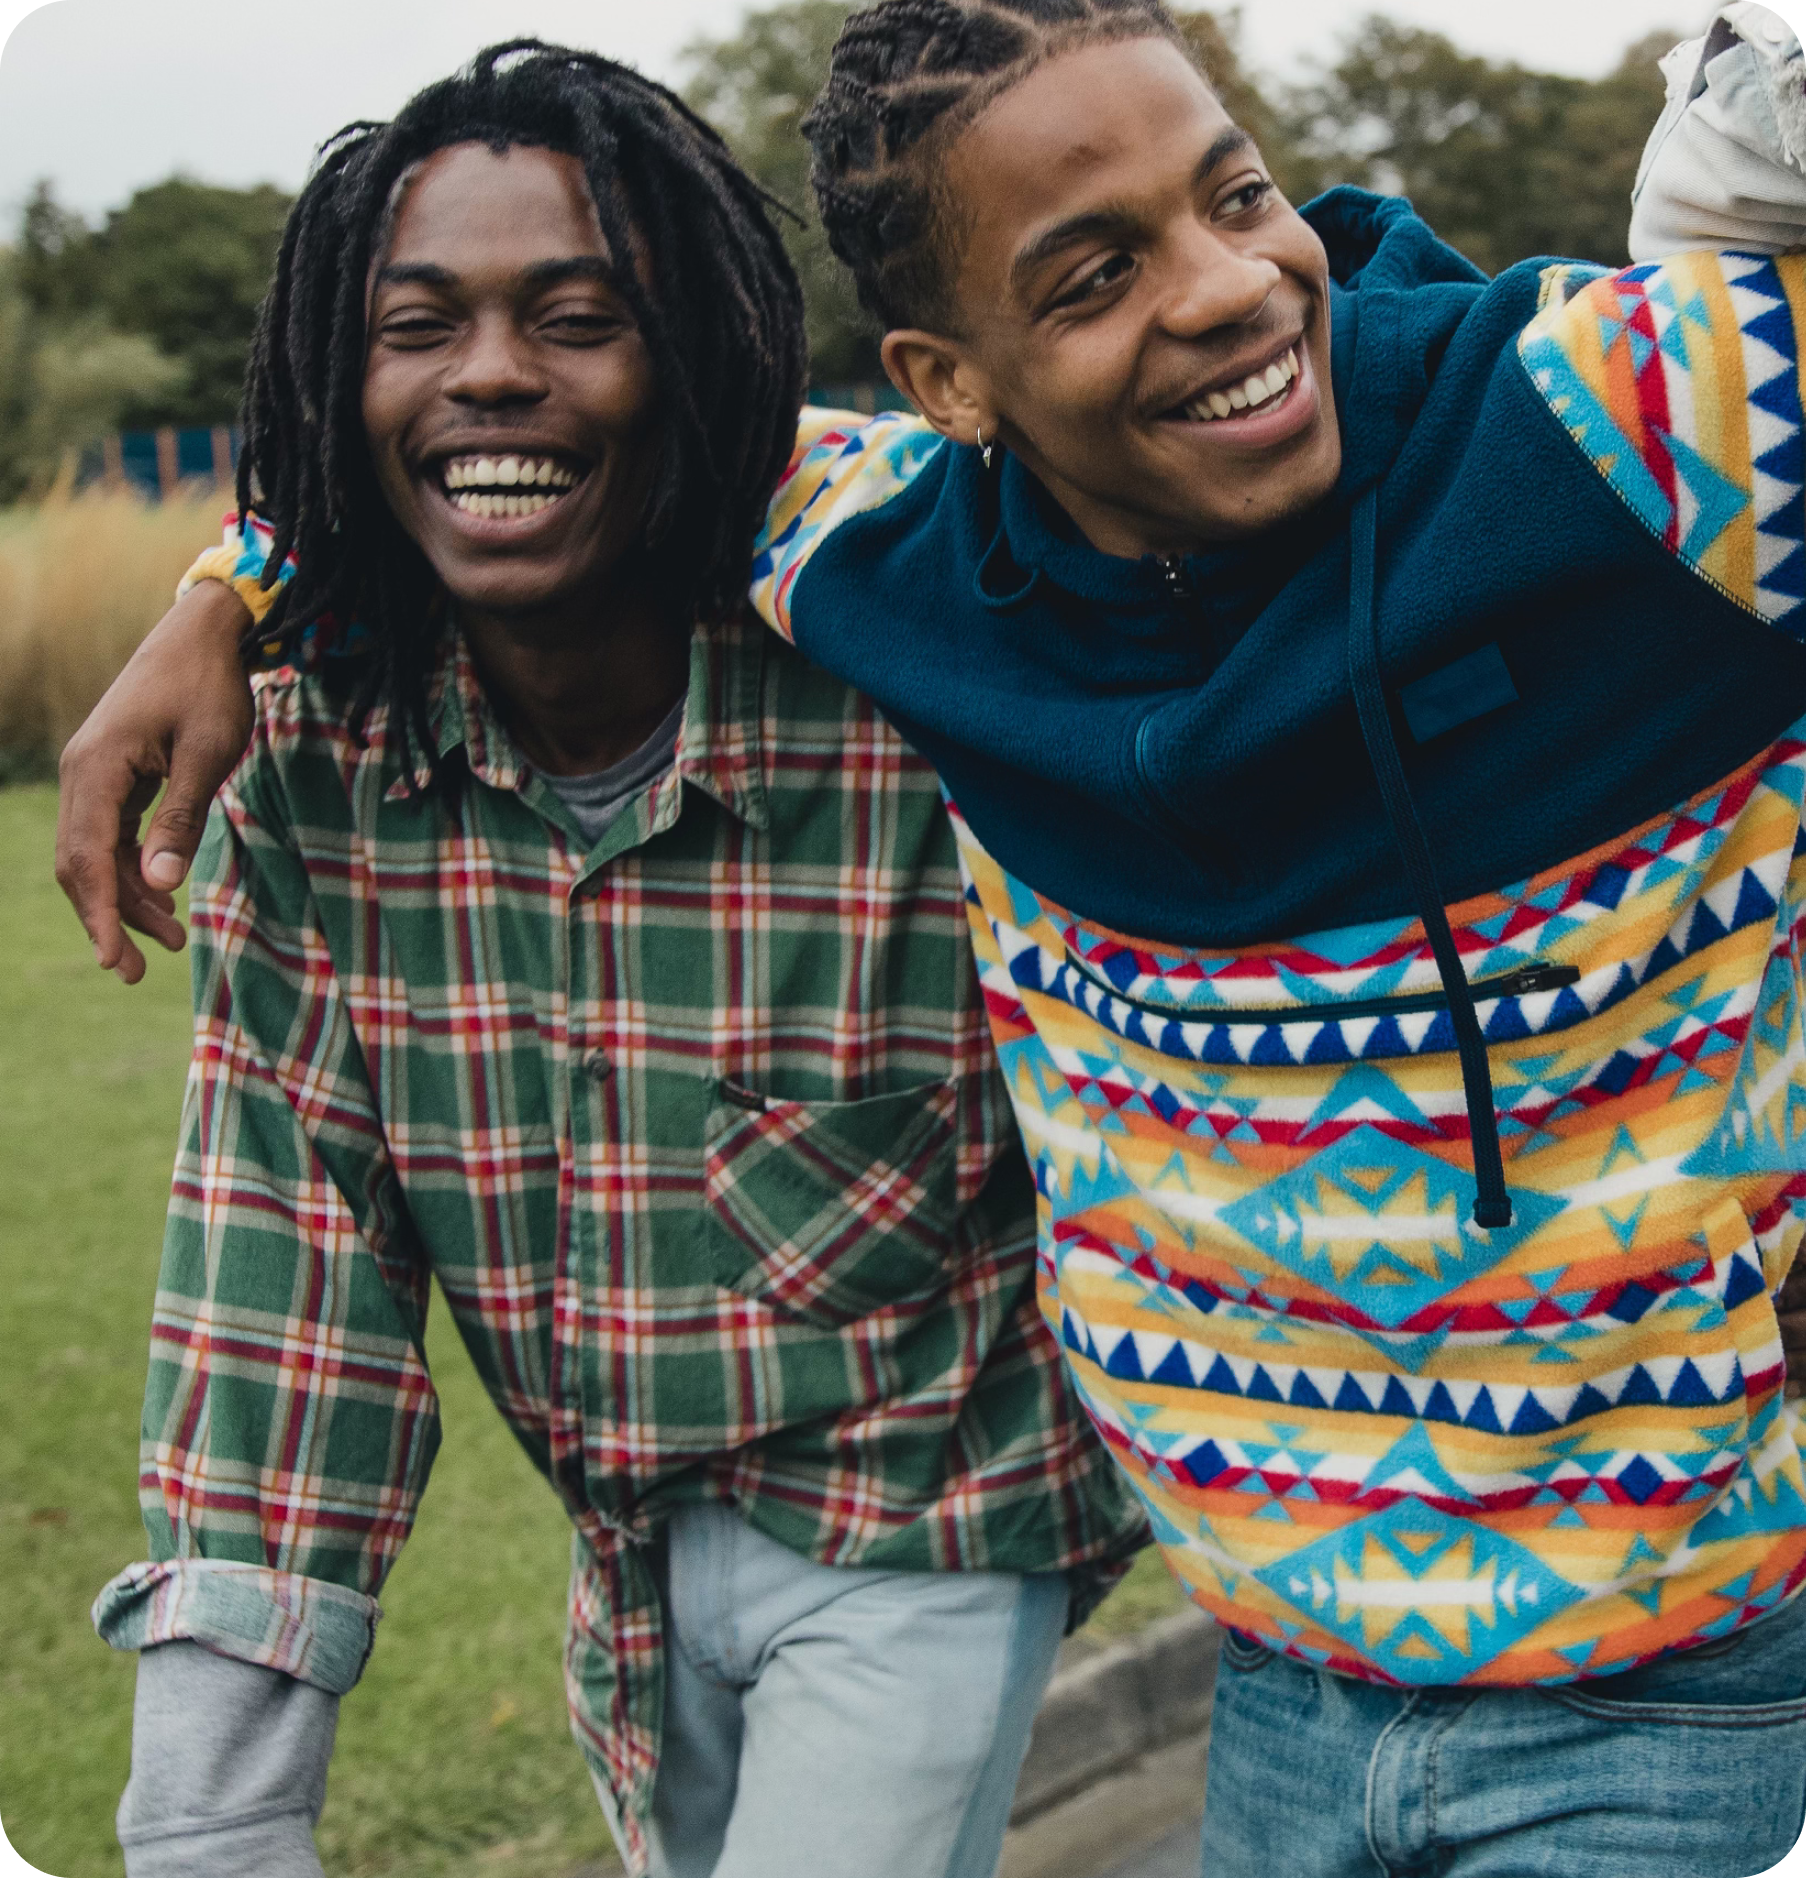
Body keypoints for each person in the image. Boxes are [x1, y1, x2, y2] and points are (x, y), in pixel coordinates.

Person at [55, 2, 1806, 1872]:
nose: (1222, 288)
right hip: (1288, 1693)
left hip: (1677, 1698)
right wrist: (232, 585)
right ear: (947, 383)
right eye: (1090, 272)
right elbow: (532, 441)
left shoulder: (1629, 427)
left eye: (1234, 197)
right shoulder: (878, 555)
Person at [68, 42, 1146, 1878]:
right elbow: (281, 1273)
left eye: (580, 317)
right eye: (420, 324)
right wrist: (212, 1814)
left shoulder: (909, 638)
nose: (493, 370)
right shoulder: (310, 767)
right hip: (629, 1581)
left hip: (933, 1523)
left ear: (698, 363)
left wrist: (224, 572)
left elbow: (1055, 440)